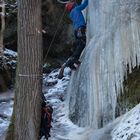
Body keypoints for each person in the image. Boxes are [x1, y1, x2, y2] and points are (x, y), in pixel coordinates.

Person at [58, 0, 88, 79]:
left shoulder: (72, 13)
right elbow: (85, 4)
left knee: (79, 44)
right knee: (82, 43)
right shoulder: (77, 9)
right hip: (80, 29)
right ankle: (73, 60)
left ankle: (72, 61)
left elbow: (75, 4)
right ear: (73, 6)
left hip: (76, 31)